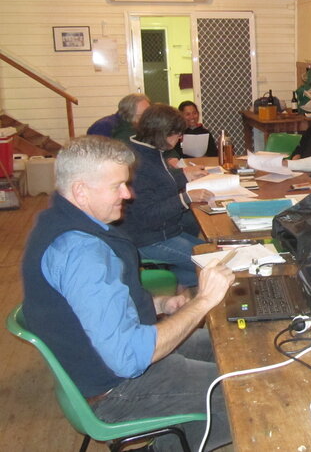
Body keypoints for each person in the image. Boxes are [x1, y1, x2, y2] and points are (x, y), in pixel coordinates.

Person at [21, 135, 234, 451]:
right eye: (117, 186)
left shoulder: (62, 220)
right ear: (81, 190)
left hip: (106, 359)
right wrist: (202, 301)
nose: (128, 193)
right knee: (242, 390)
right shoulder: (81, 252)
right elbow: (129, 358)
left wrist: (159, 302)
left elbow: (95, 304)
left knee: (227, 344)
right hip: (116, 388)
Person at [118, 103, 212, 287]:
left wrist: (184, 175)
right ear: (163, 134)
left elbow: (159, 182)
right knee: (213, 265)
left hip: (165, 230)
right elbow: (147, 215)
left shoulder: (149, 150)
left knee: (212, 255)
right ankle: (166, 283)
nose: (180, 138)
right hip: (148, 239)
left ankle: (169, 276)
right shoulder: (139, 163)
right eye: (178, 134)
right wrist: (186, 198)